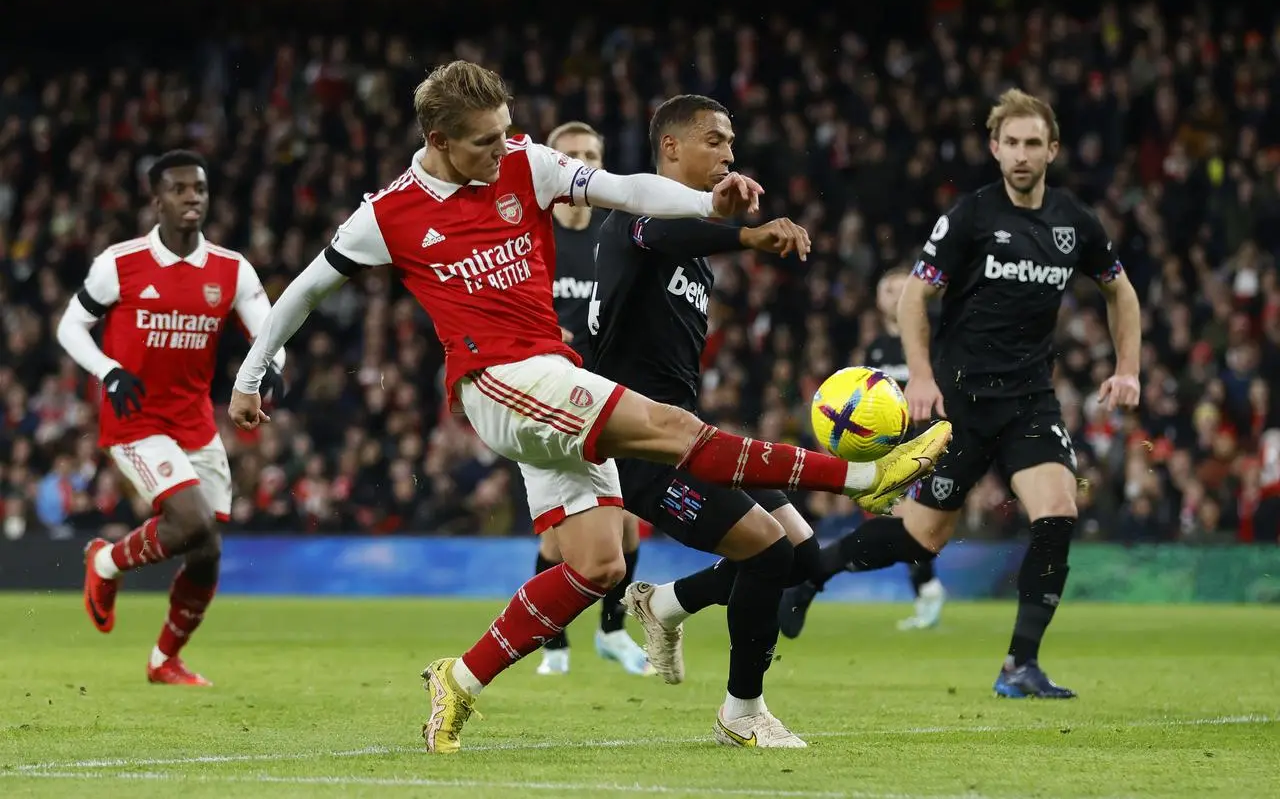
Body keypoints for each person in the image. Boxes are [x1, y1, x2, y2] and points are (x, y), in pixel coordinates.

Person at [228, 61, 950, 753]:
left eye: (505, 130)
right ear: (438, 141)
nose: (501, 148)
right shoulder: (388, 214)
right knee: (673, 429)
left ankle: (460, 676)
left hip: (552, 377)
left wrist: (709, 204)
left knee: (599, 565)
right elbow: (303, 291)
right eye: (484, 140)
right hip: (497, 381)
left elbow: (628, 189)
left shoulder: (525, 163)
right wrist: (252, 374)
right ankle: (861, 477)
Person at [591, 94, 929, 748]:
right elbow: (664, 228)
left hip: (682, 431)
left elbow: (685, 234)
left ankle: (666, 603)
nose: (729, 154)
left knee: (800, 554)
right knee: (766, 550)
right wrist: (745, 233)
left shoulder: (687, 242)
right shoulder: (635, 214)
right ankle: (741, 713)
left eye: (731, 143)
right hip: (638, 446)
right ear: (671, 149)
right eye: (715, 141)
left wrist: (723, 220)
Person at [782, 89, 1142, 698]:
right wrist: (920, 376)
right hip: (961, 402)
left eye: (1035, 144)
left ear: (1052, 150)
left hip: (1030, 399)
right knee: (921, 538)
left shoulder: (1074, 223)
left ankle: (1019, 665)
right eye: (1012, 143)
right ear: (995, 148)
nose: (1023, 155)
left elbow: (1120, 289)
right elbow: (914, 295)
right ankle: (814, 573)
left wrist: (1127, 367)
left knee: (1057, 511)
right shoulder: (971, 217)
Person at [56, 149, 285, 686]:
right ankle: (106, 563)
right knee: (191, 522)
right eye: (180, 190)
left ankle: (164, 661)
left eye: (199, 190)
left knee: (205, 551)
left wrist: (271, 367)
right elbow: (70, 326)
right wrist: (108, 370)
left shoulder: (230, 269)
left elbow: (270, 331)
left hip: (195, 423)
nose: (192, 199)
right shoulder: (121, 263)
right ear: (156, 198)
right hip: (134, 420)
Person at [535, 120, 651, 678]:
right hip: (545, 400)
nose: (581, 163)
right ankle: (553, 643)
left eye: (590, 154)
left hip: (606, 395)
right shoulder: (532, 235)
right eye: (570, 155)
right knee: (561, 539)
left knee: (626, 524)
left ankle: (611, 631)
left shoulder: (615, 236)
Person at [777, 268, 948, 636]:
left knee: (910, 526)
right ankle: (925, 589)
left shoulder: (934, 338)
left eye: (903, 289)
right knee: (907, 526)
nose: (895, 296)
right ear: (878, 298)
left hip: (930, 445)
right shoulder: (875, 350)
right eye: (888, 289)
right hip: (887, 453)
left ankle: (924, 588)